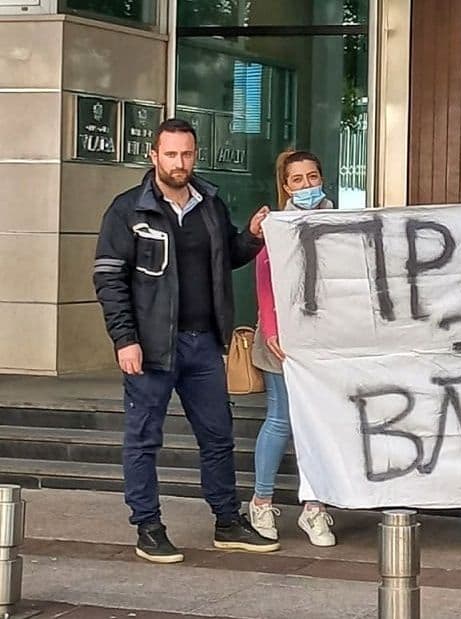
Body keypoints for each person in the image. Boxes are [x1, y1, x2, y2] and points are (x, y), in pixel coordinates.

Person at [93, 118, 279, 564]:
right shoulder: (127, 210)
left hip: (202, 344)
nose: (179, 163)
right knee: (143, 440)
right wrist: (125, 339)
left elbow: (227, 256)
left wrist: (251, 238)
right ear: (153, 156)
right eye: (171, 154)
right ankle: (148, 526)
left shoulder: (209, 203)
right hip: (151, 346)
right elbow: (109, 278)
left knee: (218, 437)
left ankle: (228, 522)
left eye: (187, 154)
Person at [248, 150, 337, 547]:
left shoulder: (338, 222)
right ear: (285, 186)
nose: (306, 185)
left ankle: (314, 508)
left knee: (319, 423)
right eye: (297, 179)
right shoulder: (276, 224)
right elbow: (264, 276)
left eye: (312, 177)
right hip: (280, 338)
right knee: (281, 419)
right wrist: (270, 327)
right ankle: (262, 501)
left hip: (323, 337)